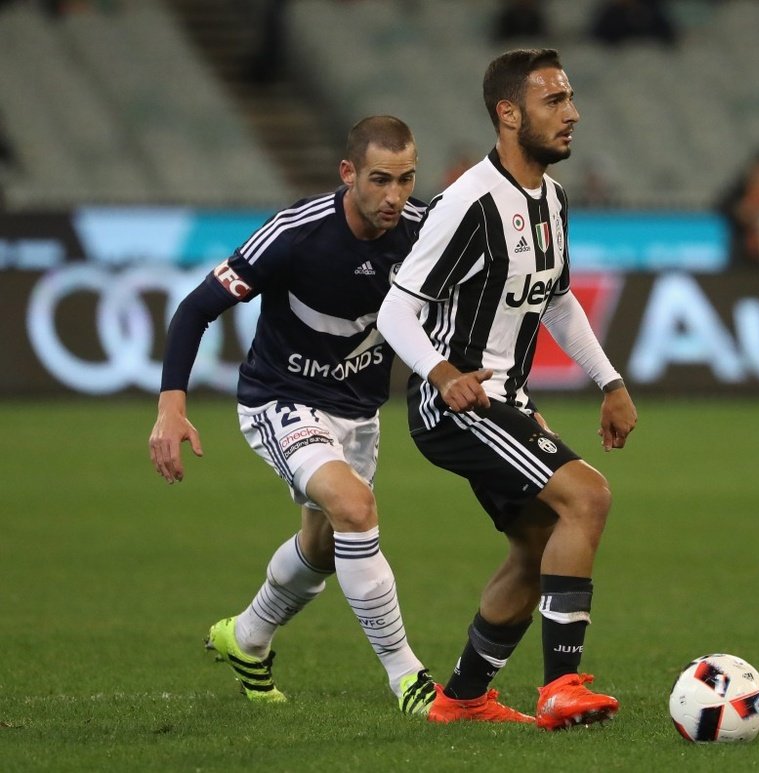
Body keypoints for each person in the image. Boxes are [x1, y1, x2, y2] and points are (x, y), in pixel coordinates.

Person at [377, 48, 638, 730]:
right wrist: (442, 375)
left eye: (570, 97)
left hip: (503, 401)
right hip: (456, 402)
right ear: (508, 113)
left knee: (543, 539)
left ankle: (463, 698)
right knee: (588, 495)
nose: (572, 113)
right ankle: (561, 686)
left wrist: (608, 380)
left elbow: (556, 301)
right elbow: (394, 311)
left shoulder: (552, 199)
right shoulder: (467, 202)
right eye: (555, 101)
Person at [148, 115, 436, 714]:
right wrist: (171, 406)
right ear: (348, 173)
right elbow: (196, 308)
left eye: (406, 179)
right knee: (356, 508)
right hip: (281, 399)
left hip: (358, 411)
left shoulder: (423, 230)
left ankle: (246, 638)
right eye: (380, 180)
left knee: (327, 547)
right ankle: (408, 679)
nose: (395, 196)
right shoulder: (294, 232)